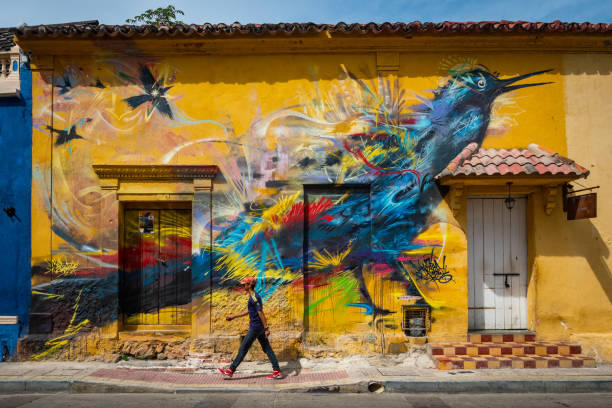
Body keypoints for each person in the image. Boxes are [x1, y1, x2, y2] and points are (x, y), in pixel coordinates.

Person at [218, 276, 282, 379]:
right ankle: (277, 371)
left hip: (256, 328)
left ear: (250, 285)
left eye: (244, 284)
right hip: (258, 328)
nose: (243, 286)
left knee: (243, 348)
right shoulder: (252, 296)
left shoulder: (254, 297)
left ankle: (230, 370)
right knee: (267, 349)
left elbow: (260, 312)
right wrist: (233, 316)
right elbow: (249, 311)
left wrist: (266, 328)